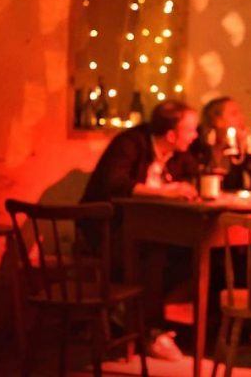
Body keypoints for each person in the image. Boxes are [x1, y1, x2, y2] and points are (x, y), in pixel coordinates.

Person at [79, 99, 199, 361]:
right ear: (171, 135)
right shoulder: (131, 143)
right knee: (153, 252)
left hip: (148, 232)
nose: (195, 135)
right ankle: (151, 332)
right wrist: (164, 193)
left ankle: (132, 315)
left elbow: (197, 174)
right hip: (106, 231)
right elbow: (115, 183)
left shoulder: (177, 154)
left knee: (194, 254)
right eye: (190, 130)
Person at [189, 96, 251, 191]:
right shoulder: (196, 144)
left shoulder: (238, 149)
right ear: (217, 120)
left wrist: (245, 148)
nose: (241, 118)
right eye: (234, 114)